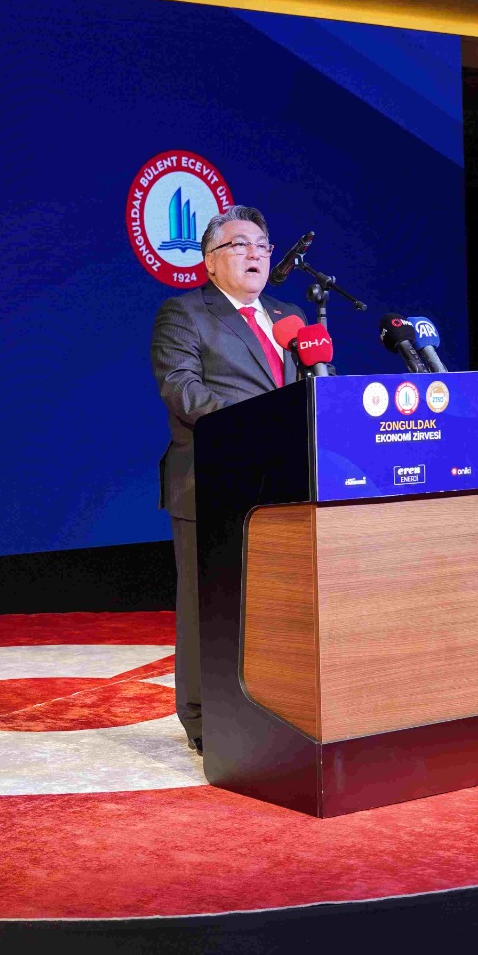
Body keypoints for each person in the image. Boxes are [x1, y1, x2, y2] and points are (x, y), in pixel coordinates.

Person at [149, 205, 304, 754]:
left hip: (285, 483)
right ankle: (201, 718)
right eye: (239, 244)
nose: (254, 253)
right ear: (210, 262)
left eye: (262, 245)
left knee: (279, 604)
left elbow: (312, 387)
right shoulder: (186, 313)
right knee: (208, 605)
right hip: (212, 481)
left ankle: (277, 706)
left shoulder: (290, 317)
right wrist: (256, 426)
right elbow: (181, 389)